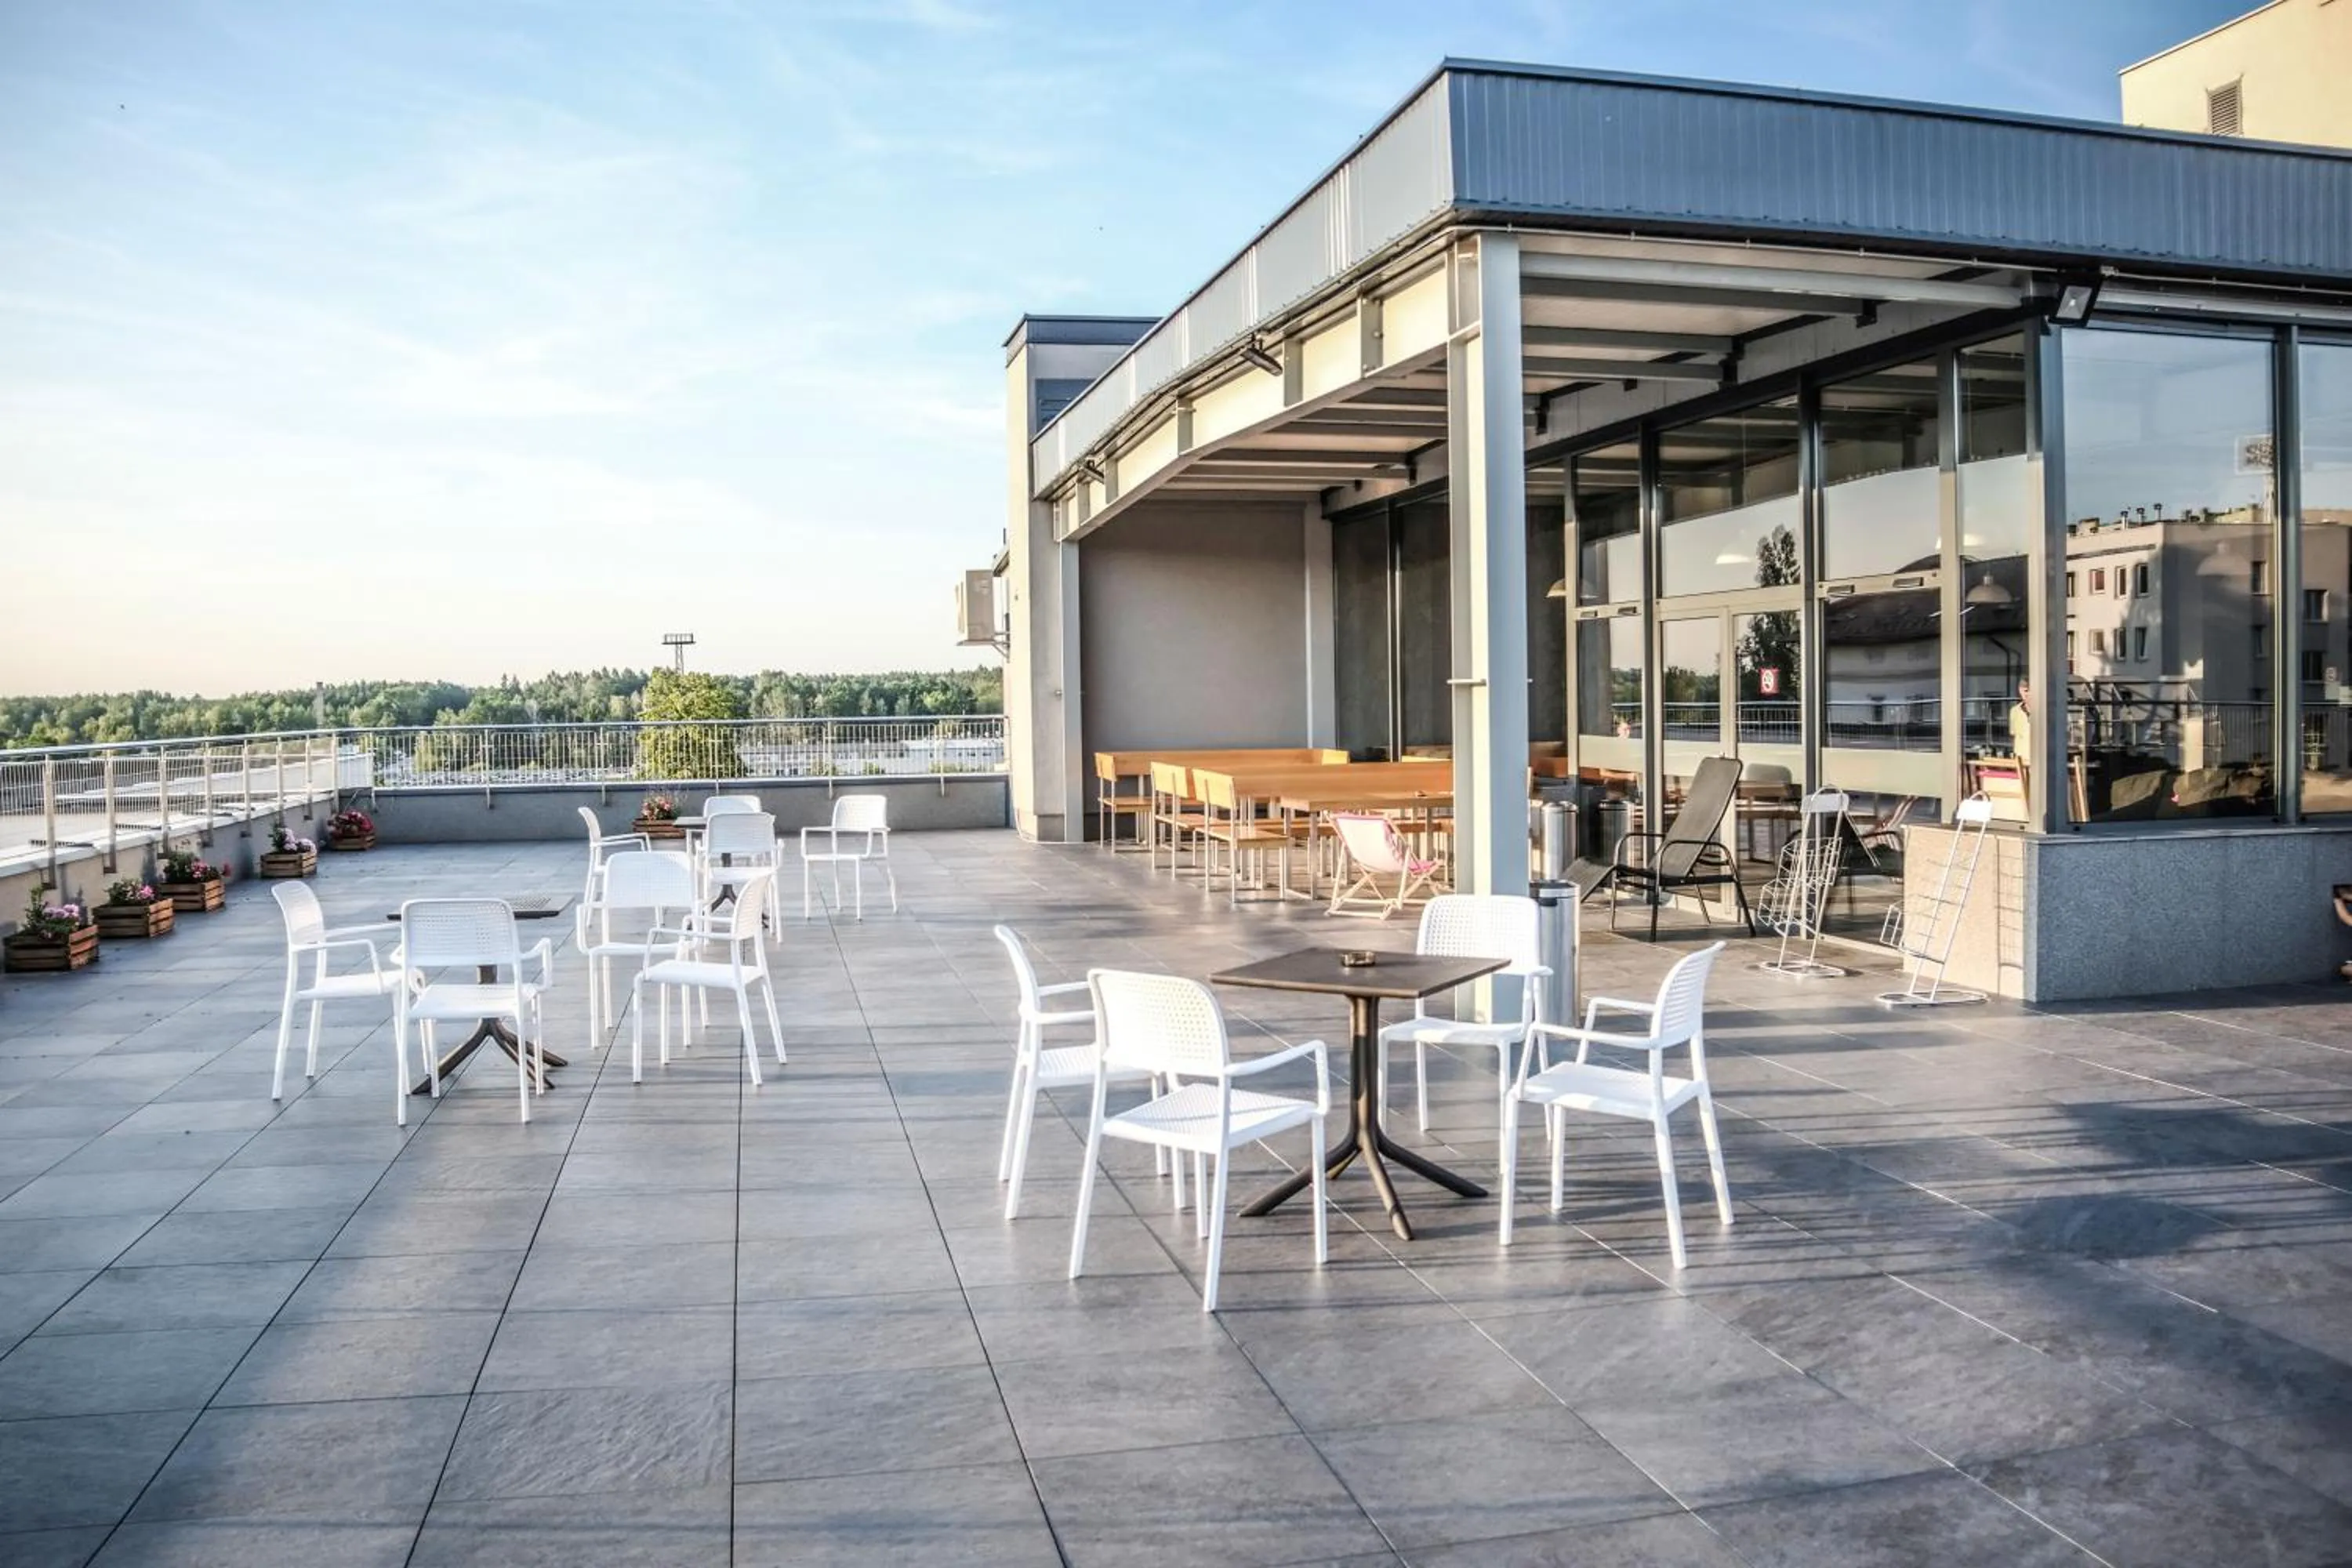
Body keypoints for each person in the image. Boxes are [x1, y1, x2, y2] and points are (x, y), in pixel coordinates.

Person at [2008, 680, 2031, 763]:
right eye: (2025, 691)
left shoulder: (2044, 709)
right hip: (2021, 757)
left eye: (2030, 691)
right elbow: (2014, 734)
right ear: (2020, 691)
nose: (2028, 694)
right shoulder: (2014, 711)